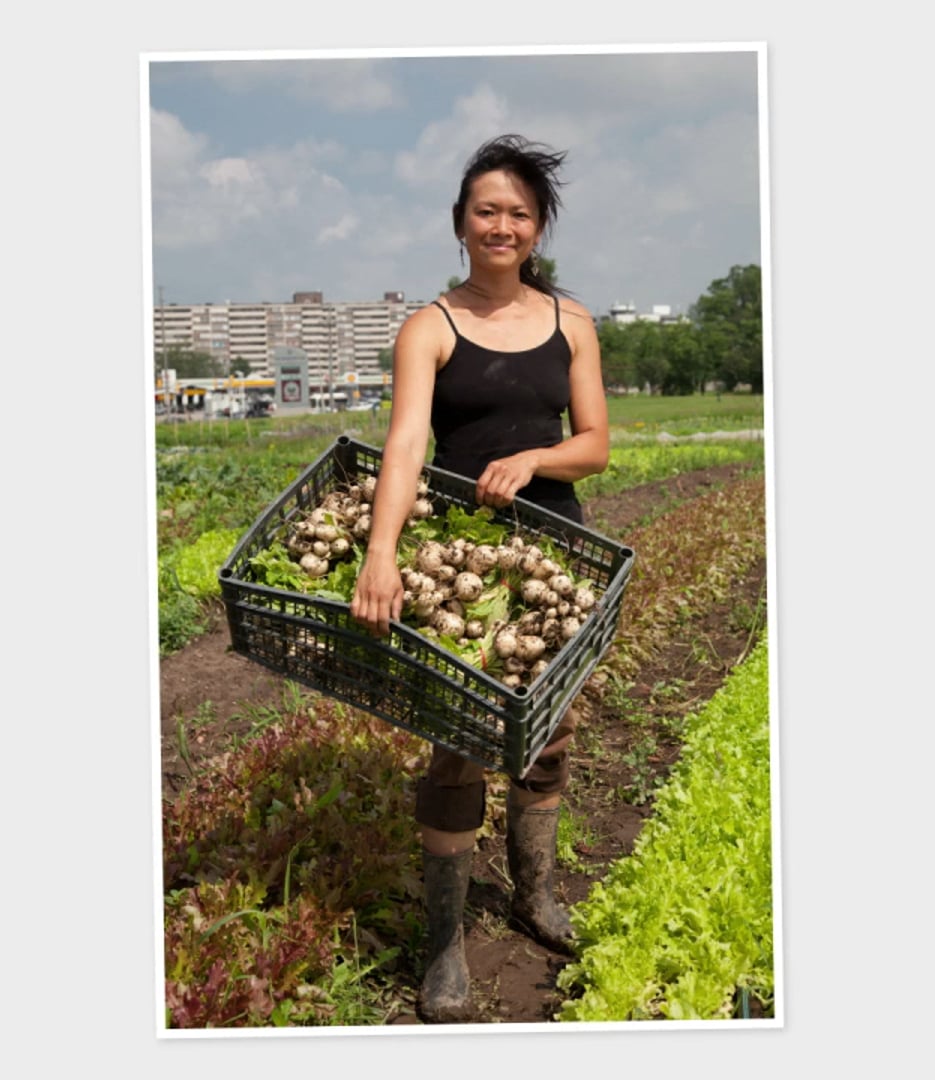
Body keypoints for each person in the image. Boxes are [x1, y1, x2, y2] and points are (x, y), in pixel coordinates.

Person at [349, 134, 609, 1024]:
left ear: (538, 229)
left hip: (551, 556)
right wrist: (382, 553)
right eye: (486, 210)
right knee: (459, 734)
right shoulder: (428, 327)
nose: (502, 225)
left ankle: (534, 897)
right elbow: (407, 444)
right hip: (459, 562)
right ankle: (446, 944)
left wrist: (537, 456)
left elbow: (596, 445)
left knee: (549, 730)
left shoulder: (570, 321)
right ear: (461, 224)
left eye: (519, 213)